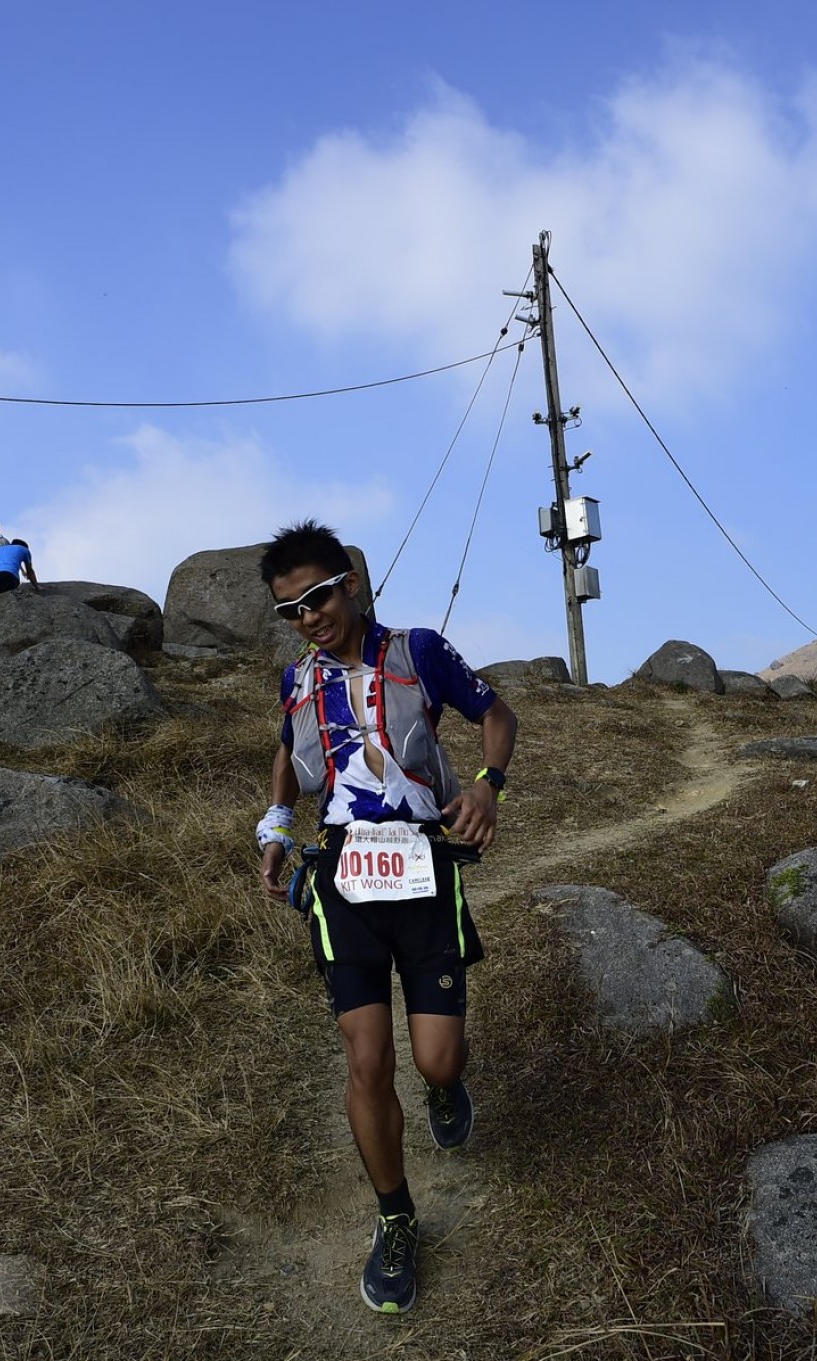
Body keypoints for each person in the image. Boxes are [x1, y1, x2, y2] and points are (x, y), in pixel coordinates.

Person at [256, 520, 516, 1317]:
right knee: (365, 1059)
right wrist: (276, 825)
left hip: (424, 868)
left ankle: (445, 1087)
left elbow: (497, 714)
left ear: (352, 584)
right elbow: (289, 749)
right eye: (291, 609)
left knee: (437, 1059)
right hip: (343, 876)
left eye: (317, 597)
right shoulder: (299, 678)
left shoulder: (418, 650)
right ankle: (396, 1216)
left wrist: (487, 785)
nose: (308, 617)